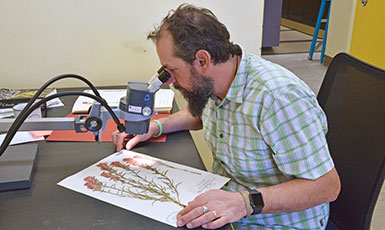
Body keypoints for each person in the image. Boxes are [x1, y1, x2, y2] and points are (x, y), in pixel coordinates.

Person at [112, 4, 340, 230]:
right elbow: (201, 115)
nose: (169, 80)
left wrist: (244, 203)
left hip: (274, 222)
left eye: (172, 70)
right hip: (225, 208)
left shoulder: (278, 98)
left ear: (202, 60)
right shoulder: (219, 78)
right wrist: (156, 127)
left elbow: (327, 187)